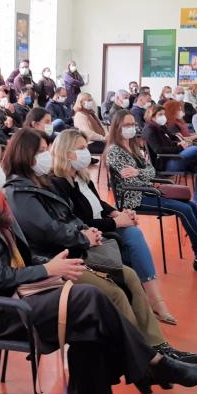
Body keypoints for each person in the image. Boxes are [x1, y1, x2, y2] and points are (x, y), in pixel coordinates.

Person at [0, 138, 197, 394]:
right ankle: (153, 364)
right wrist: (47, 268)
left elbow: (21, 257)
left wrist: (53, 263)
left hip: (21, 295)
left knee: (89, 331)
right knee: (90, 298)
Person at [3, 128, 197, 356]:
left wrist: (107, 220)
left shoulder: (41, 183)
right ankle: (145, 357)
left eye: (46, 150)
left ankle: (158, 345)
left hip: (74, 247)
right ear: (25, 154)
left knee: (129, 275)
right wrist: (88, 234)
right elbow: (49, 230)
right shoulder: (26, 189)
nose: (46, 155)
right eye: (40, 151)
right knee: (115, 288)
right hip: (57, 259)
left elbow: (69, 217)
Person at [50, 129, 176, 324]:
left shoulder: (81, 176)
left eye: (86, 147)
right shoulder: (58, 183)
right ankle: (152, 300)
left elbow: (98, 203)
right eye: (81, 148)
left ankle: (151, 299)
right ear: (66, 153)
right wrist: (117, 222)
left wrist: (118, 213)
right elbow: (80, 220)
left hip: (104, 222)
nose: (87, 152)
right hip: (91, 231)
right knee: (132, 235)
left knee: (133, 233)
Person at [105, 110, 197, 274]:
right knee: (183, 209)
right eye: (126, 125)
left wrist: (138, 172)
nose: (131, 128)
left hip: (147, 192)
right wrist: (141, 174)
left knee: (190, 206)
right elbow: (130, 180)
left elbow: (151, 171)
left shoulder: (134, 146)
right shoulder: (114, 150)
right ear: (117, 127)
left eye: (133, 124)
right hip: (132, 198)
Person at [142, 105, 197, 212]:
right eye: (160, 114)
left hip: (175, 158)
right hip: (165, 163)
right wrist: (179, 147)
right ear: (152, 116)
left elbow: (171, 140)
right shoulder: (149, 130)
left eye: (164, 114)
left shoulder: (161, 127)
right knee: (195, 150)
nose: (163, 117)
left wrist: (180, 142)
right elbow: (159, 150)